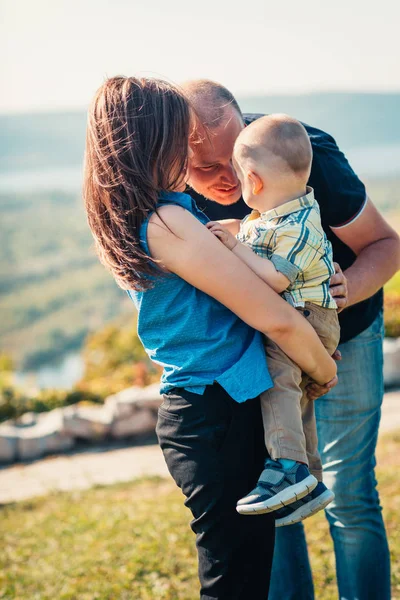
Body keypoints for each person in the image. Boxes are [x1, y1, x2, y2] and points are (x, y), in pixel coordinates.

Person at [83, 76, 337, 600]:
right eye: (181, 132)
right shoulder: (169, 221)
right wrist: (324, 369)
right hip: (213, 416)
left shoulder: (168, 212)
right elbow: (276, 319)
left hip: (218, 410)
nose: (191, 143)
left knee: (242, 575)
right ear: (155, 139)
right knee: (234, 583)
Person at [183, 79, 400, 600]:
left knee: (348, 492)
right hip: (263, 349)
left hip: (344, 331)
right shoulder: (169, 185)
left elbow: (386, 244)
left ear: (243, 124)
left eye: (230, 163)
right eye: (203, 169)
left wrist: (345, 291)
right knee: (278, 498)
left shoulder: (303, 151)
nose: (228, 180)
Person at [207, 114, 339, 523]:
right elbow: (254, 234)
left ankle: (287, 467)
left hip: (307, 318)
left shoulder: (301, 225)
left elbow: (275, 279)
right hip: (302, 314)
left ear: (254, 181)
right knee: (298, 400)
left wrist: (232, 247)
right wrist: (232, 232)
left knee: (279, 384)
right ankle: (309, 482)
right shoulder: (276, 217)